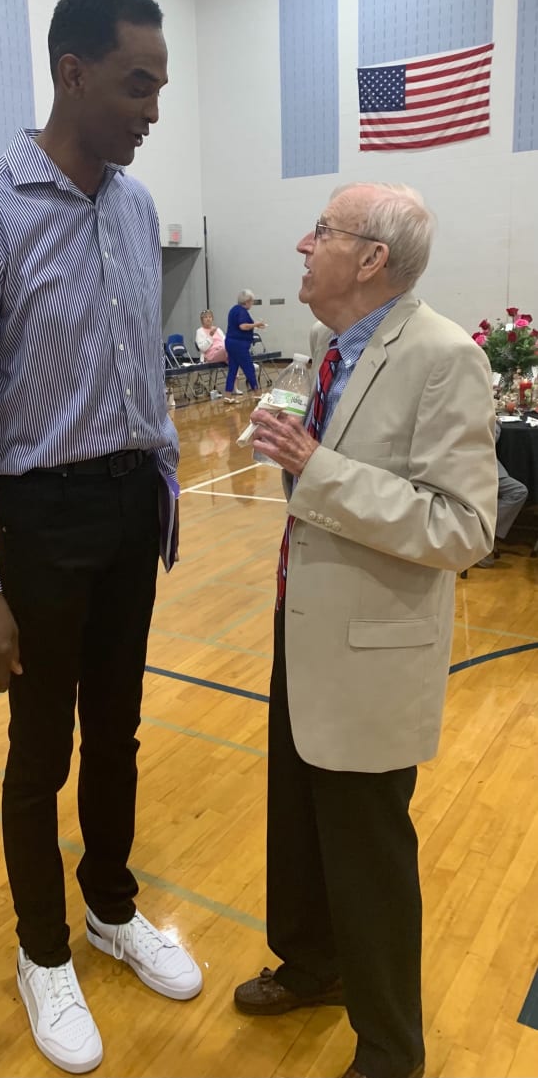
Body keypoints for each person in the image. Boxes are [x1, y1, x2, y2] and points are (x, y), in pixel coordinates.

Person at [0, 0, 202, 1074]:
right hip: (39, 519)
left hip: (132, 506)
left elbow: (140, 369)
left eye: (162, 85)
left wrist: (164, 477)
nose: (154, 108)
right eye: (140, 83)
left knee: (119, 732)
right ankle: (44, 954)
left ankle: (110, 907)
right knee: (38, 751)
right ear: (73, 73)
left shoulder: (134, 208)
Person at [234, 183, 498, 1078]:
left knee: (369, 853)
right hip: (300, 624)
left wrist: (318, 467)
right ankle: (313, 965)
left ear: (372, 258)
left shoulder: (444, 356)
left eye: (324, 234)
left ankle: (391, 1048)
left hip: (372, 653)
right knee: (299, 823)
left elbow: (464, 527)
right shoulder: (326, 348)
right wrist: (293, 451)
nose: (303, 246)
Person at [475, 420, 528, 566]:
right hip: (477, 464)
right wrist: (496, 421)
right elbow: (490, 437)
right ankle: (481, 538)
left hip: (477, 462)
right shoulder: (473, 409)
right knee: (517, 492)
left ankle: (483, 535)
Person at [223, 289, 265, 402]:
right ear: (247, 301)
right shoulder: (242, 311)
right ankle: (257, 393)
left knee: (233, 369)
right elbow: (243, 326)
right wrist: (256, 324)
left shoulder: (233, 310)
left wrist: (254, 325)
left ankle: (227, 395)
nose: (252, 304)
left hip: (230, 343)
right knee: (249, 368)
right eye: (251, 302)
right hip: (239, 345)